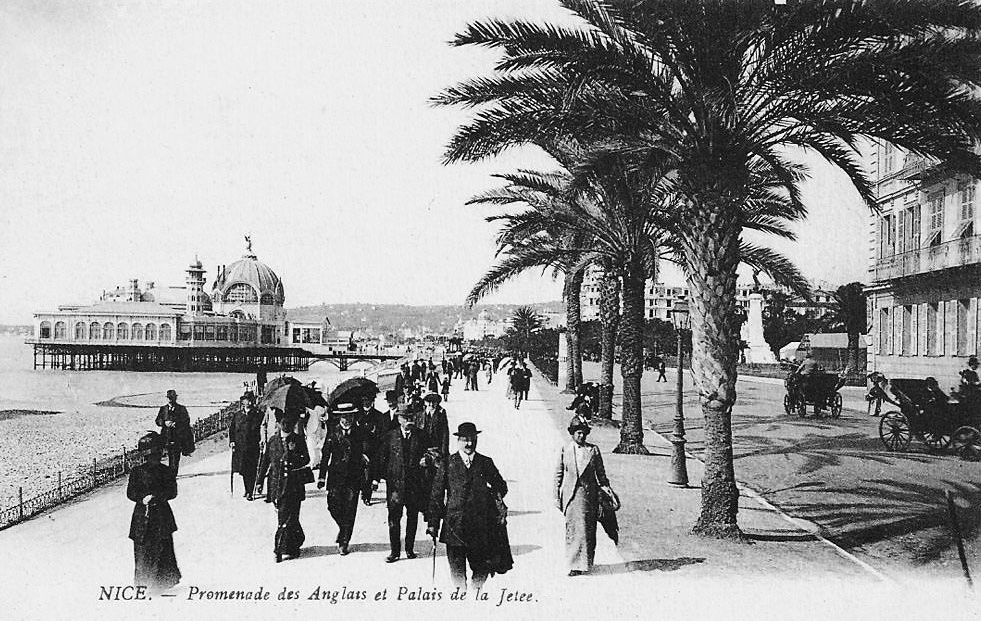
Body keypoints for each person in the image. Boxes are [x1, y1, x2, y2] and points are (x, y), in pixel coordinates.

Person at [427, 422, 509, 593]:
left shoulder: (485, 463)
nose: (469, 444)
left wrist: (490, 497)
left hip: (480, 527)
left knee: (482, 567)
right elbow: (436, 495)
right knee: (456, 570)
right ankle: (461, 595)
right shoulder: (448, 463)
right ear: (458, 441)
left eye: (472, 439)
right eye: (465, 440)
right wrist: (433, 524)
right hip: (454, 526)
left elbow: (501, 487)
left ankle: (476, 590)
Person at [374, 409, 435, 563]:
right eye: (404, 418)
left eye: (410, 417)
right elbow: (381, 458)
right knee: (394, 518)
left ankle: (409, 548)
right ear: (398, 419)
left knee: (412, 517)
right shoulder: (390, 436)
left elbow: (432, 452)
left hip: (415, 485)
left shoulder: (422, 435)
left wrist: (426, 459)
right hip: (395, 485)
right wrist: (376, 479)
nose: (408, 421)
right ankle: (394, 551)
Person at [554, 415, 612, 576]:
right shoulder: (565, 449)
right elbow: (558, 474)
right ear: (572, 433)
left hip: (588, 495)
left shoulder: (593, 450)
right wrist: (556, 496)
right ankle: (574, 564)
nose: (581, 436)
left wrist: (606, 489)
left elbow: (601, 473)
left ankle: (586, 562)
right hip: (571, 496)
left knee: (587, 529)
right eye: (578, 433)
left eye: (584, 433)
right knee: (573, 529)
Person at [127, 431, 180, 593]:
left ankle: (162, 584)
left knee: (162, 549)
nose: (153, 459)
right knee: (143, 551)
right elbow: (131, 493)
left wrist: (156, 497)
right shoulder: (137, 472)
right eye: (150, 456)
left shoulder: (166, 471)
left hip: (161, 515)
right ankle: (143, 585)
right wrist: (142, 499)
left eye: (155, 455)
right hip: (142, 516)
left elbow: (172, 492)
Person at [318, 403, 371, 555]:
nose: (347, 419)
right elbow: (325, 455)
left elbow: (368, 448)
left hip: (353, 477)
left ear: (353, 417)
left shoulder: (360, 432)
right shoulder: (333, 433)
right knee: (332, 505)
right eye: (344, 416)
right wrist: (322, 477)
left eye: (349, 416)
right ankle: (343, 529)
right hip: (335, 476)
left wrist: (365, 455)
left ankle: (344, 541)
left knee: (350, 509)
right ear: (339, 417)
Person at [258, 411, 310, 563]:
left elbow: (306, 459)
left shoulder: (298, 440)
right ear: (278, 424)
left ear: (294, 424)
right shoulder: (272, 441)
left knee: (292, 517)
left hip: (294, 485)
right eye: (283, 423)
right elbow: (265, 462)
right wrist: (260, 481)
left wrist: (293, 453)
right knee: (283, 518)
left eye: (290, 423)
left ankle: (287, 548)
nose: (286, 426)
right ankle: (284, 547)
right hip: (277, 486)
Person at [229, 391, 264, 500]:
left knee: (252, 469)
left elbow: (262, 429)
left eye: (249, 399)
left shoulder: (258, 414)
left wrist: (262, 440)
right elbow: (232, 430)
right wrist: (232, 441)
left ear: (252, 401)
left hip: (253, 446)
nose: (247, 402)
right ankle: (246, 488)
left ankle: (250, 490)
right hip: (240, 447)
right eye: (245, 400)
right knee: (243, 469)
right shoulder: (238, 415)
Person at [155, 389, 194, 474]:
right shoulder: (163, 409)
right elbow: (158, 421)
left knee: (175, 456)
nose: (170, 399)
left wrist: (176, 424)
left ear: (175, 398)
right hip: (165, 437)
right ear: (167, 398)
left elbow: (186, 421)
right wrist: (165, 423)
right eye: (169, 398)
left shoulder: (181, 409)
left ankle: (173, 474)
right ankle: (168, 473)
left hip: (177, 437)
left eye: (172, 398)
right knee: (164, 456)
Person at [418, 393, 450, 458]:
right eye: (429, 402)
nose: (431, 404)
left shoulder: (441, 414)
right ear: (425, 402)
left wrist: (443, 451)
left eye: (434, 402)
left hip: (437, 448)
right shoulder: (420, 414)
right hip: (423, 448)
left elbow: (445, 433)